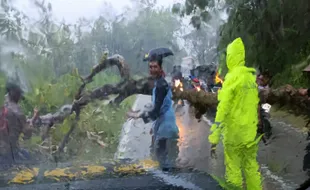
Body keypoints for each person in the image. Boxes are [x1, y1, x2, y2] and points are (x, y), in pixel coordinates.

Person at [208, 37, 262, 190]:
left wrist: (214, 137)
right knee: (252, 170)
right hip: (250, 136)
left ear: (231, 57)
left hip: (234, 136)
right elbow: (255, 104)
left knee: (233, 172)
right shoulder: (251, 79)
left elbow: (222, 110)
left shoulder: (231, 79)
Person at [127, 54, 179, 171]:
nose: (152, 69)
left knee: (162, 166)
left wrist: (137, 115)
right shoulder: (159, 83)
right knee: (166, 165)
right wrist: (141, 111)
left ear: (160, 68)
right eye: (150, 67)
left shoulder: (161, 85)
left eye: (155, 67)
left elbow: (155, 112)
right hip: (164, 126)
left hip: (166, 129)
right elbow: (158, 105)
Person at [0, 82, 36, 166]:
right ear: (17, 95)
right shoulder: (18, 112)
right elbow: (27, 135)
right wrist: (31, 125)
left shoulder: (2, 107)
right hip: (10, 154)